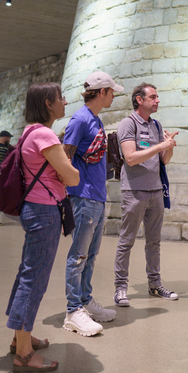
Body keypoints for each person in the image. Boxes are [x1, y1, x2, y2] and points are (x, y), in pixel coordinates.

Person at [7, 82, 79, 373]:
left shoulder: (28, 133)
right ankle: (24, 354)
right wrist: (69, 171)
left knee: (27, 274)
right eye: (61, 98)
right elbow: (72, 177)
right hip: (45, 211)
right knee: (34, 279)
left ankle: (20, 338)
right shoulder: (46, 134)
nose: (65, 102)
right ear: (49, 103)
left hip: (33, 209)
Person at [62, 72, 123, 336]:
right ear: (101, 92)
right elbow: (65, 156)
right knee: (78, 255)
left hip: (96, 196)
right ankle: (73, 310)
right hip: (83, 196)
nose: (113, 96)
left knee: (91, 254)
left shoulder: (96, 119)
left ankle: (85, 301)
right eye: (112, 92)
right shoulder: (80, 119)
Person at [113, 83, 179, 307]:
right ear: (139, 100)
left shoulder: (156, 125)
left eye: (157, 97)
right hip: (134, 192)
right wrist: (161, 146)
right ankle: (121, 288)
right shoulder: (128, 124)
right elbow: (130, 158)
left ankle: (155, 284)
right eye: (153, 97)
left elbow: (164, 161)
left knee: (154, 242)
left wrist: (168, 146)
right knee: (126, 240)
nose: (157, 100)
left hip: (156, 191)